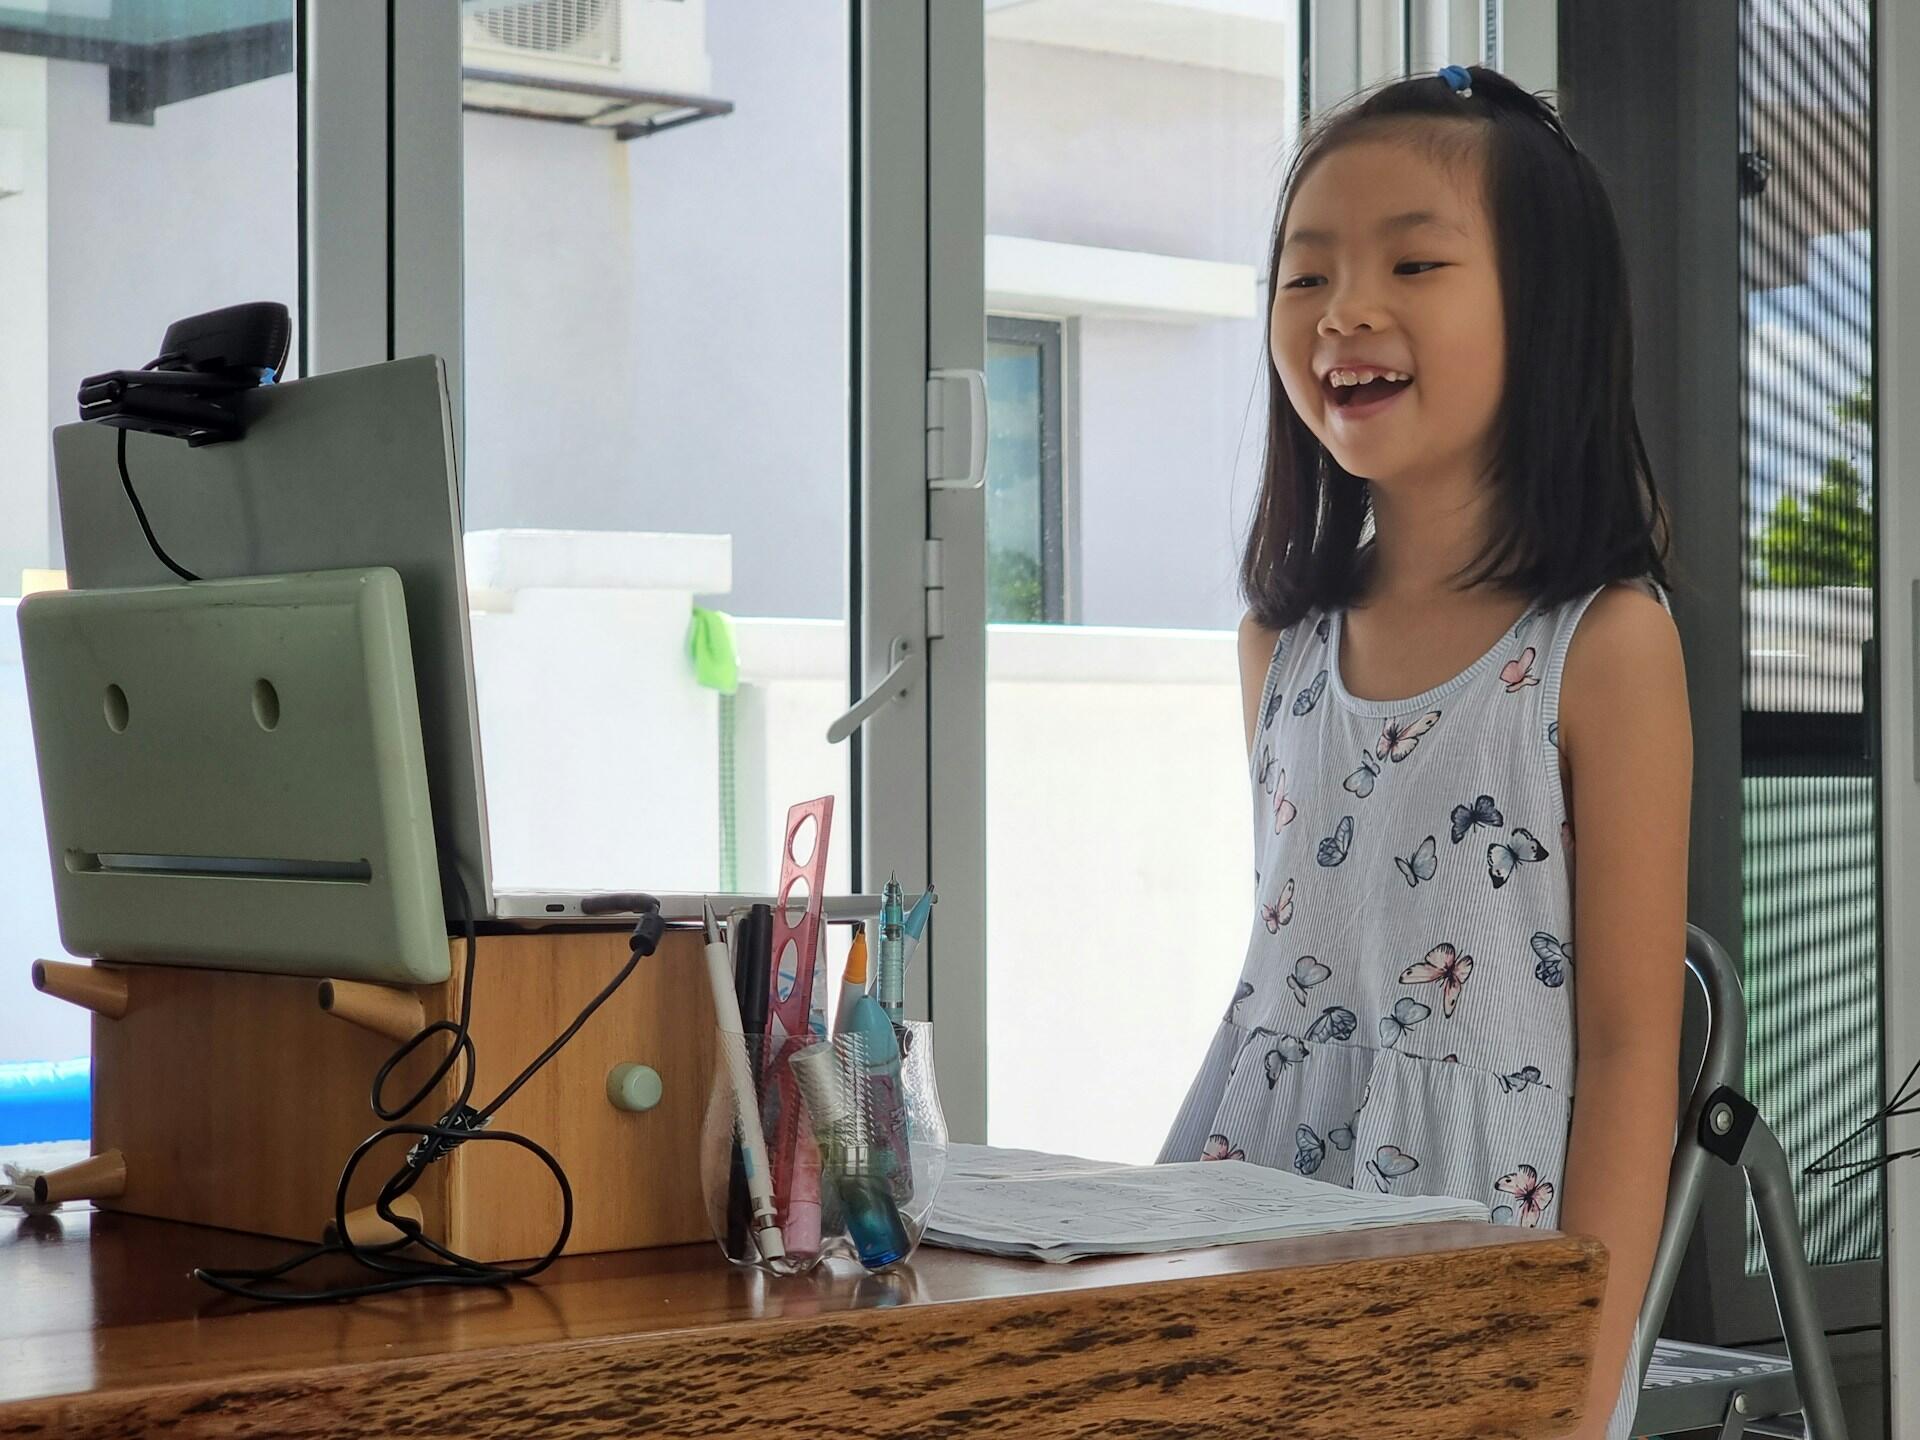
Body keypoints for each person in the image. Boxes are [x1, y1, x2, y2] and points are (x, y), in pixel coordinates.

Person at [1158, 65, 1692, 1440]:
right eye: (1304, 274)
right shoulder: (1276, 646)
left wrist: (1587, 1360)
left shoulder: (1606, 645)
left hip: (1483, 1264)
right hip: (1253, 1217)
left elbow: (1634, 1048)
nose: (1345, 310)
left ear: (1548, 314)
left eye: (1415, 261)